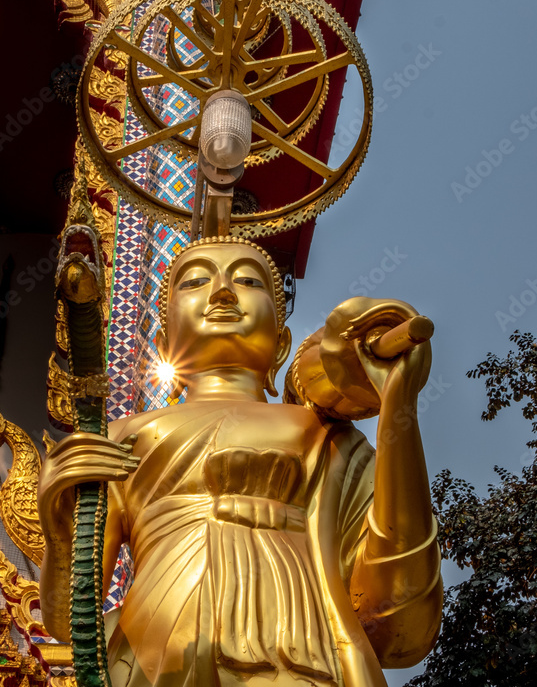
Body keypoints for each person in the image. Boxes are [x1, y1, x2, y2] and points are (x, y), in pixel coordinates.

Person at [38, 236, 442, 687]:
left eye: (248, 280)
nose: (223, 292)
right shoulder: (125, 436)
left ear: (282, 343)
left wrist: (397, 406)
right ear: (164, 342)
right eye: (195, 281)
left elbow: (397, 622)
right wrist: (59, 532)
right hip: (156, 649)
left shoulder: (329, 436)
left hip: (303, 651)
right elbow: (68, 622)